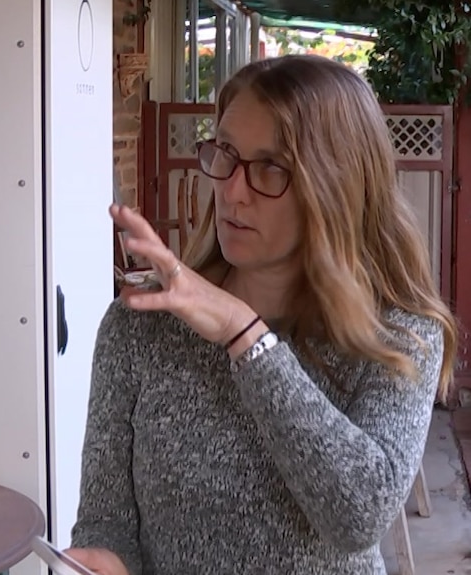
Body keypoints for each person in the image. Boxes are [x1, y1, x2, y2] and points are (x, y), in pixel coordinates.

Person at [66, 54, 458, 575]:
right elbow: (106, 522)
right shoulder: (140, 325)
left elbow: (359, 516)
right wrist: (103, 560)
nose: (230, 191)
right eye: (225, 154)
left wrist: (246, 338)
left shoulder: (399, 335)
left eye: (270, 168)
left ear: (336, 187)